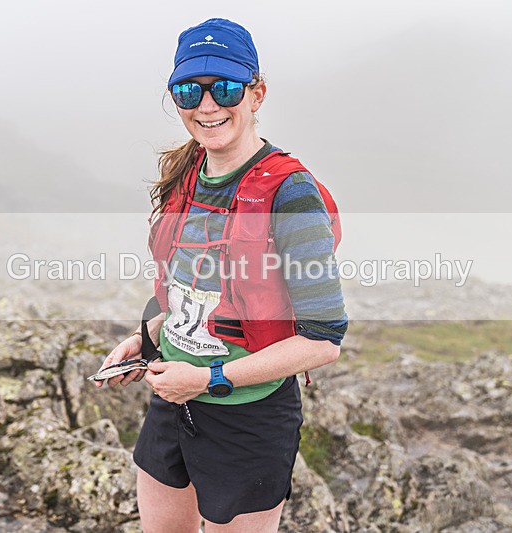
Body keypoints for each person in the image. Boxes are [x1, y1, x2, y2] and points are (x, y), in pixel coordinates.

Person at [94, 18, 347, 533]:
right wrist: (146, 339)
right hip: (173, 400)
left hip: (249, 418)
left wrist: (208, 379)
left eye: (225, 88)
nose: (207, 105)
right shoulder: (187, 175)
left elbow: (324, 341)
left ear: (257, 94)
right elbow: (190, 293)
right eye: (189, 91)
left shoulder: (290, 195)